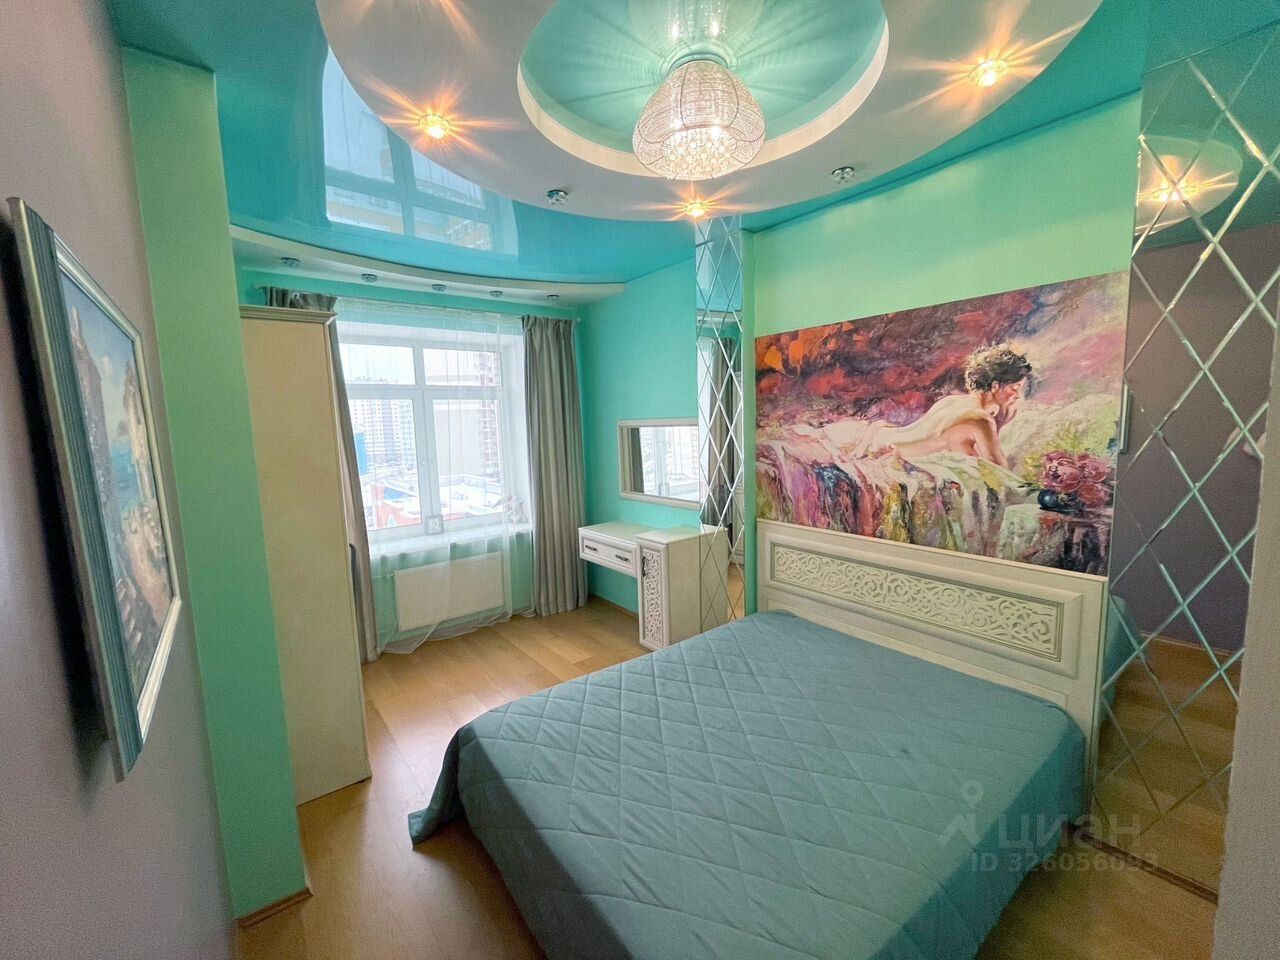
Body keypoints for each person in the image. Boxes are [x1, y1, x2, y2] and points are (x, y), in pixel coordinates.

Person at [814, 345, 1033, 468]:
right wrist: (1000, 424)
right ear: (996, 385)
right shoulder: (981, 419)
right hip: (885, 450)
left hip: (881, 437)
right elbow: (999, 471)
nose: (1017, 395)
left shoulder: (953, 401)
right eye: (1015, 388)